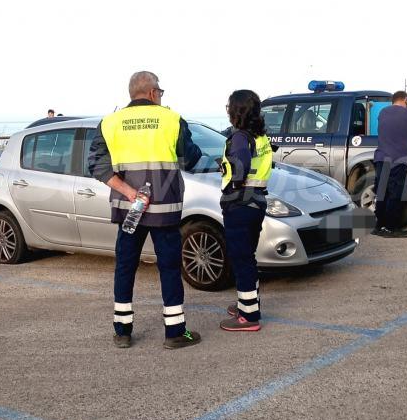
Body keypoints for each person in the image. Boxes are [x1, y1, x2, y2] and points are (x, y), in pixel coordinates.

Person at [88, 71, 203, 349]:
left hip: (130, 209)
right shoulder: (171, 119)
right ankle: (175, 332)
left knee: (125, 267)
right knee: (169, 268)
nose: (161, 96)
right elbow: (190, 158)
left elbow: (96, 166)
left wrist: (130, 192)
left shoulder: (110, 123)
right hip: (165, 209)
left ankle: (122, 331)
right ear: (153, 93)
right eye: (160, 92)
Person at [219, 90, 272, 332]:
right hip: (257, 201)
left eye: (229, 106)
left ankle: (248, 316)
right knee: (247, 256)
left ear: (235, 110)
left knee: (240, 258)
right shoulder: (259, 136)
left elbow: (240, 167)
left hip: (240, 203)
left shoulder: (240, 137)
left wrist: (233, 181)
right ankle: (248, 303)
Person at [372, 91, 407, 238]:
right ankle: (391, 228)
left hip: (381, 158)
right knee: (396, 195)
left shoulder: (383, 112)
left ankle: (379, 226)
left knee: (382, 194)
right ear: (406, 100)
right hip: (398, 160)